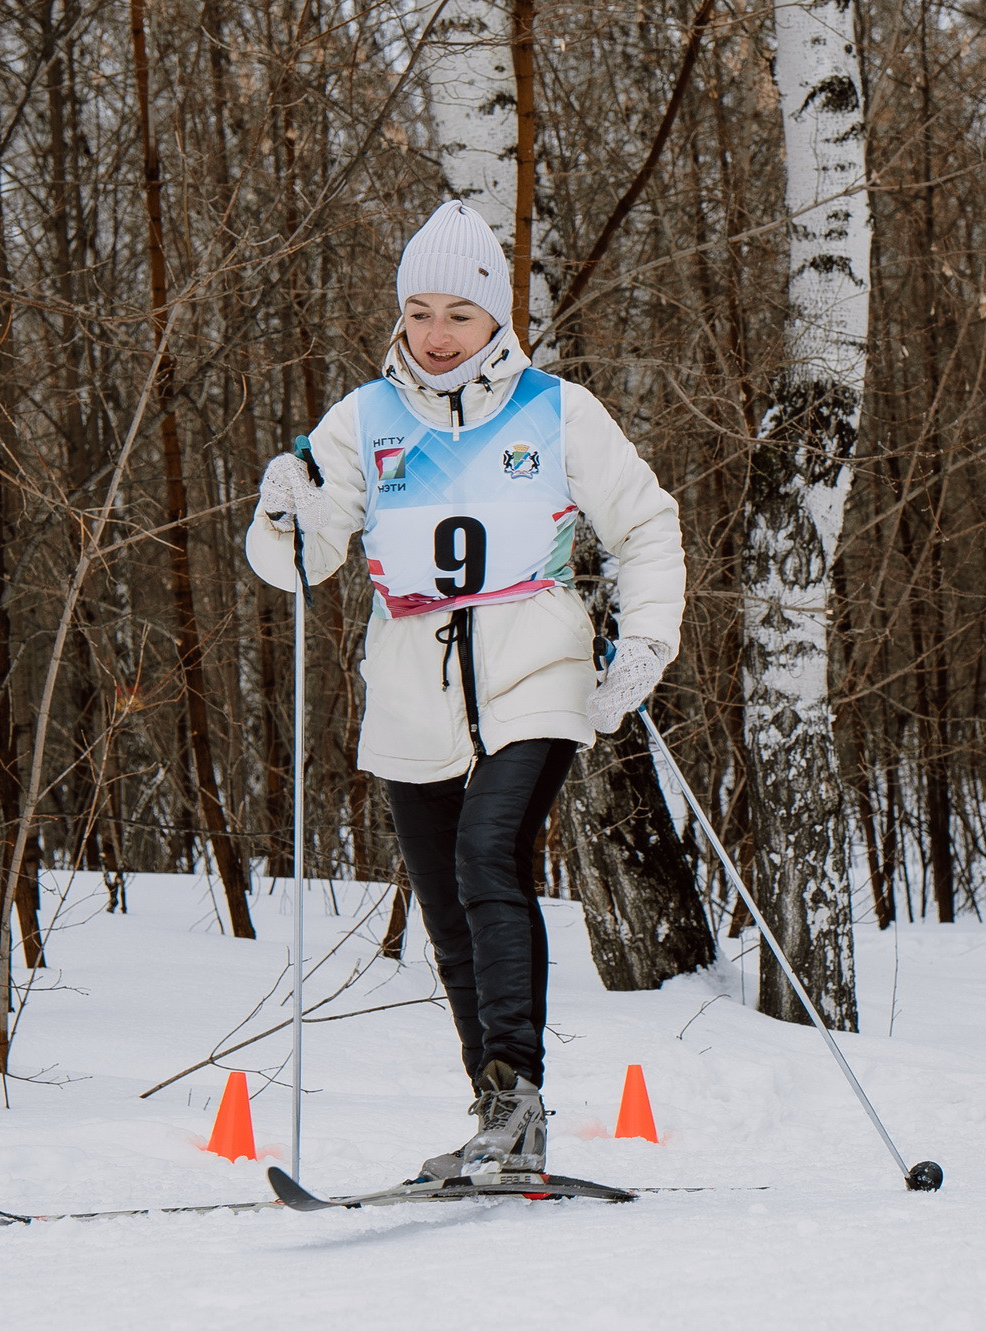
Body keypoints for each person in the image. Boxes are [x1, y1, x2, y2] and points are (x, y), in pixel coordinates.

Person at [245, 200, 685, 1180]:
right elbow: (304, 558)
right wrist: (285, 509)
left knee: (493, 853)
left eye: (459, 313)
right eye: (419, 312)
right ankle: (495, 1114)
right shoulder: (364, 417)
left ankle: (520, 1099)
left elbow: (648, 523)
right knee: (447, 910)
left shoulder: (556, 408)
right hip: (410, 694)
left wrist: (645, 643)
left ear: (496, 319)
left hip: (537, 673)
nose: (436, 334)